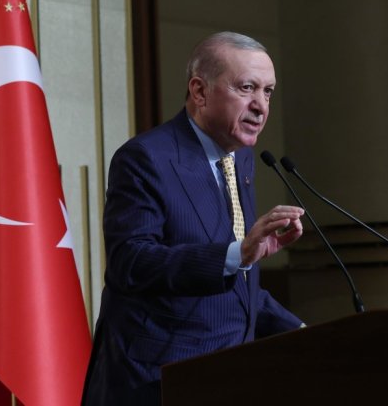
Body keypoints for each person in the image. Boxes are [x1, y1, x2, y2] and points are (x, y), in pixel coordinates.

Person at [82, 32, 305, 406]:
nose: (261, 106)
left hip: (230, 375)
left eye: (268, 91)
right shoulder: (145, 159)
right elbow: (130, 262)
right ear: (199, 92)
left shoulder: (241, 159)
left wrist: (302, 332)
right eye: (247, 88)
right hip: (157, 382)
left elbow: (236, 287)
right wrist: (237, 254)